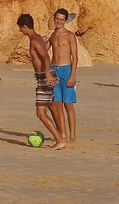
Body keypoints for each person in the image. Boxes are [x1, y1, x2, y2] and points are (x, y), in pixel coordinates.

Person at [17, 14, 64, 149]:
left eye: (21, 28)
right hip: (43, 76)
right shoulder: (37, 38)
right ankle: (61, 135)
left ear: (25, 27)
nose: (20, 31)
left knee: (40, 114)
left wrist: (48, 74)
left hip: (44, 76)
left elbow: (45, 57)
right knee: (52, 107)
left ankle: (60, 140)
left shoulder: (34, 40)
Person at [47, 8, 79, 143]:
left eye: (61, 19)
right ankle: (62, 134)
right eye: (57, 19)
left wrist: (72, 76)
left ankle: (72, 135)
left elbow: (75, 58)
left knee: (69, 105)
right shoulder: (52, 35)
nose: (58, 21)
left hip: (67, 70)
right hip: (55, 70)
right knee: (57, 104)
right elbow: (43, 50)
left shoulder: (70, 35)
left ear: (65, 21)